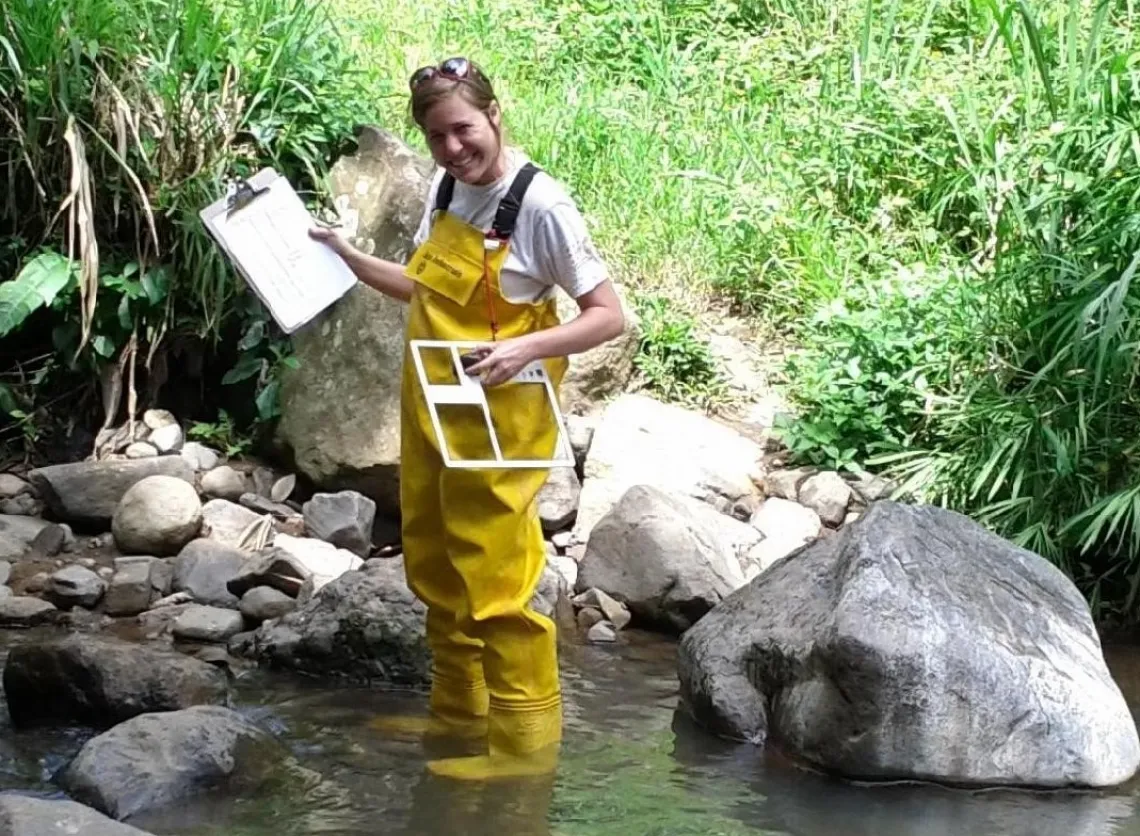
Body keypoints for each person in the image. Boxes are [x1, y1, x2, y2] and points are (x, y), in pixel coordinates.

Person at [309, 57, 624, 781]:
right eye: (436, 138)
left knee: (496, 576)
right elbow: (420, 285)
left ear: (494, 115)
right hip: (431, 405)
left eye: (462, 130)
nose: (452, 149)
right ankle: (458, 715)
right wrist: (348, 256)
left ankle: (522, 749)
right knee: (435, 559)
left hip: (502, 420)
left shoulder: (542, 206)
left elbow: (609, 316)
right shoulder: (448, 190)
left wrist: (526, 349)